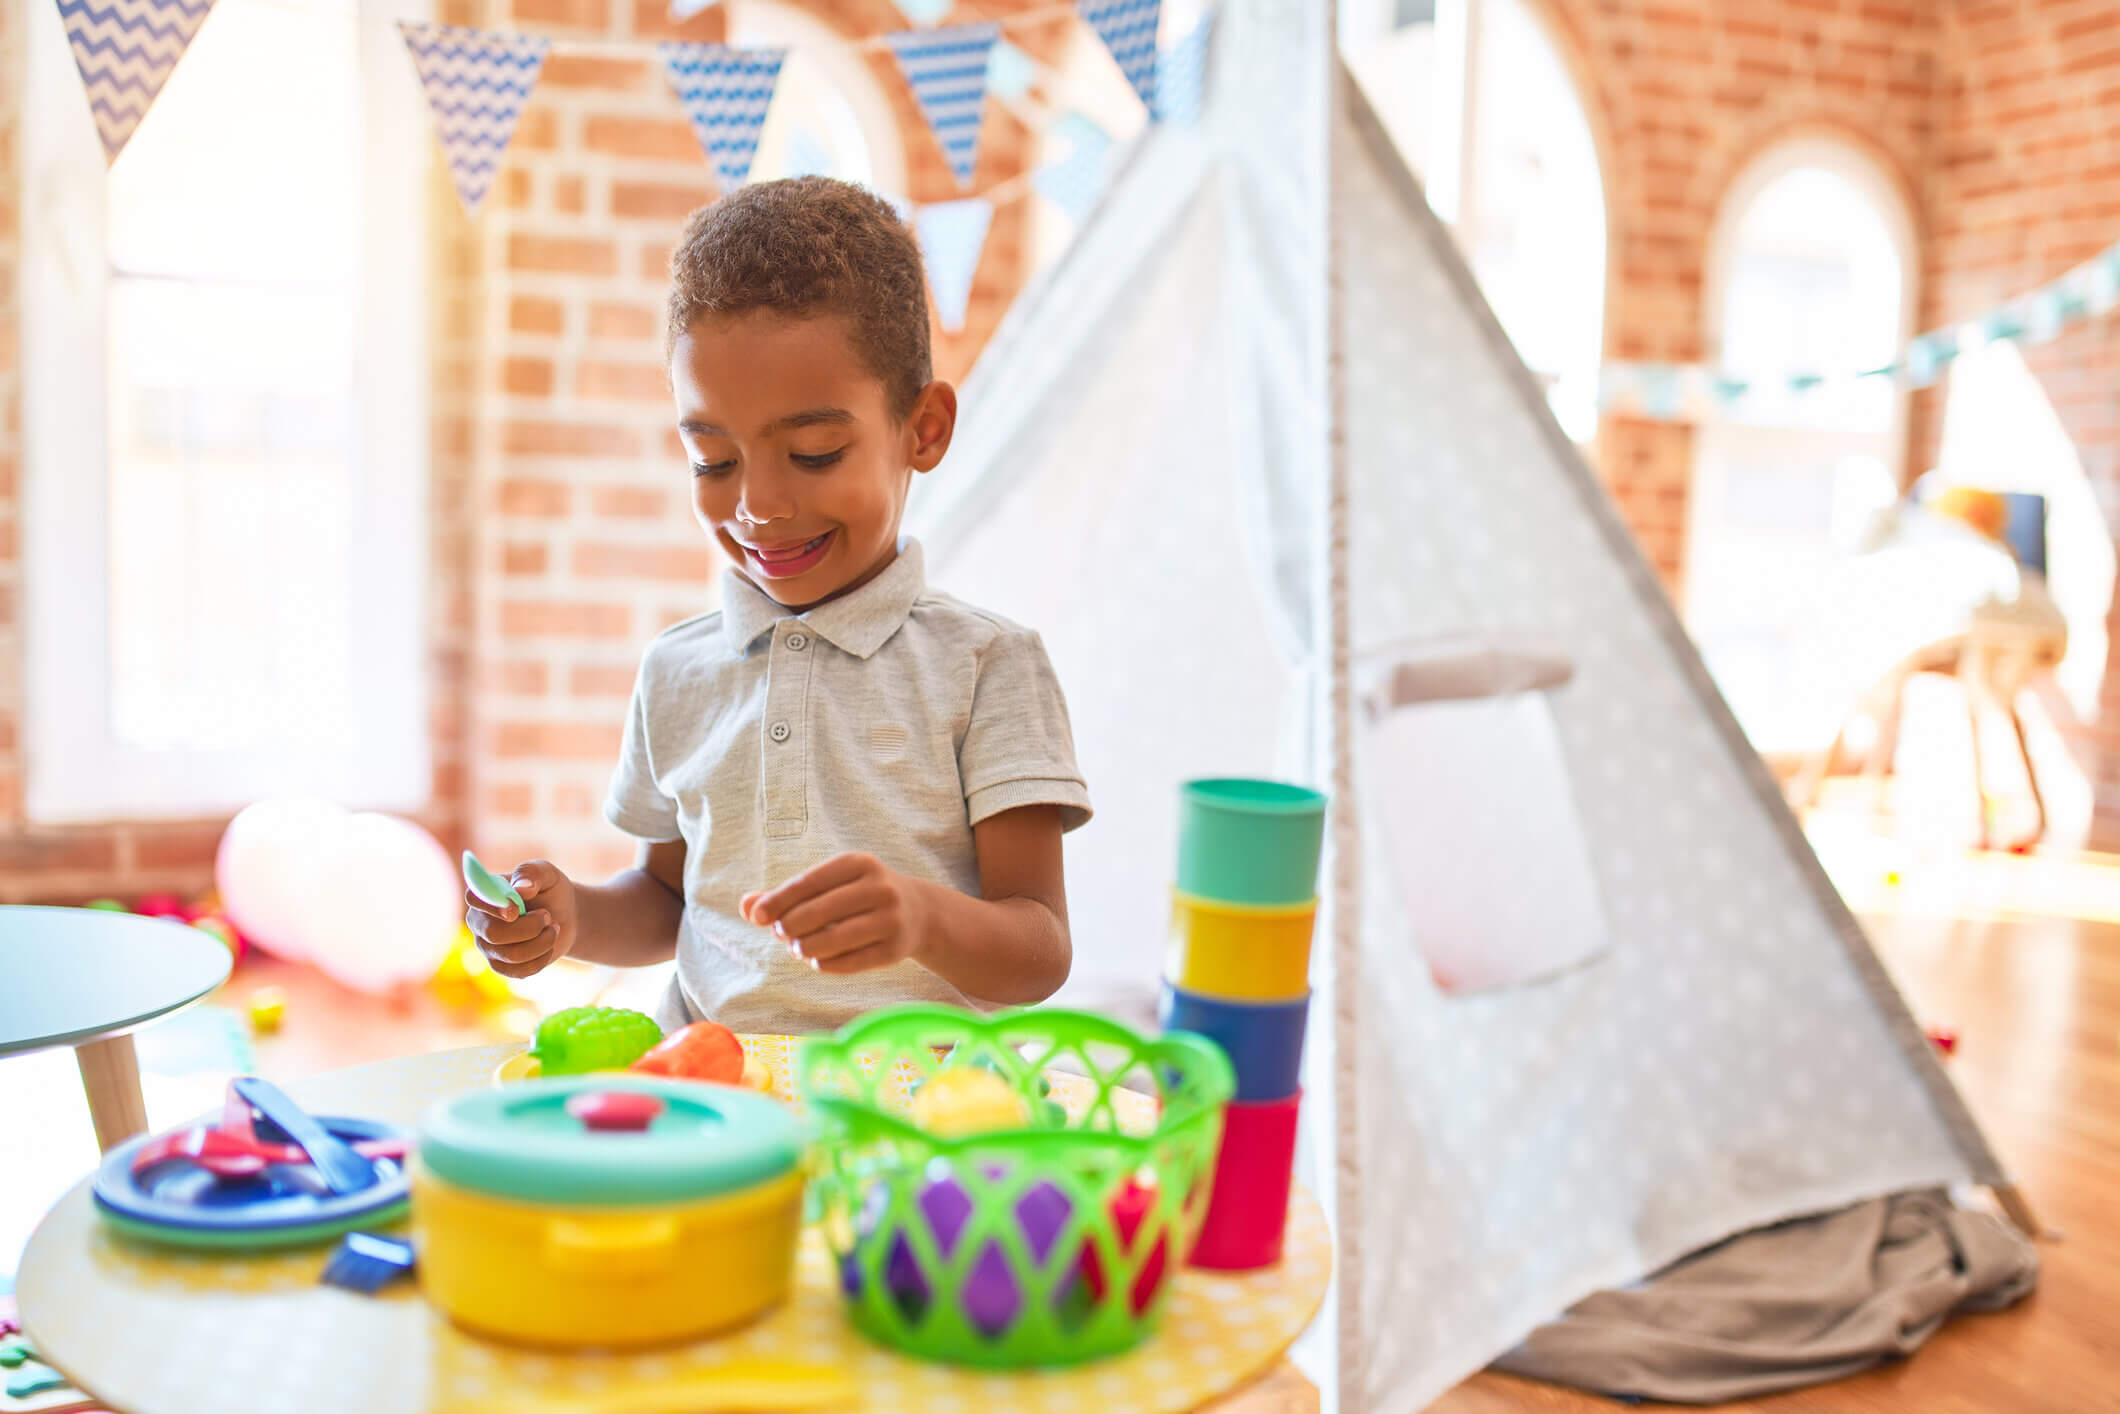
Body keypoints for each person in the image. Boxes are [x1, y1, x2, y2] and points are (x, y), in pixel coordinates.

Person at [463, 178, 1092, 1034]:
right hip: (710, 1098)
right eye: (713, 461)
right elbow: (666, 901)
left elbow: (1041, 950)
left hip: (907, 1118)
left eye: (813, 452)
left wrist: (921, 917)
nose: (758, 504)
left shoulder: (988, 666)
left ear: (924, 430)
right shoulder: (677, 669)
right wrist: (571, 917)